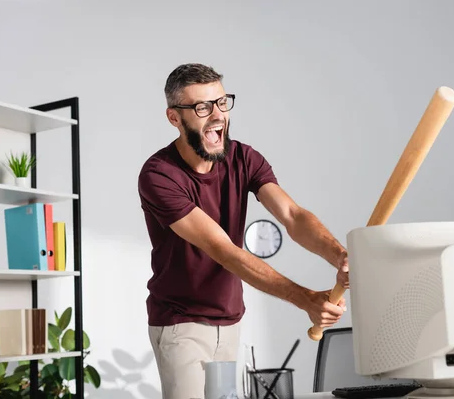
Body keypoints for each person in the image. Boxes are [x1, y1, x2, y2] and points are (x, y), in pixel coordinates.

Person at [138, 63, 349, 399]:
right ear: (175, 118)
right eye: (202, 107)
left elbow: (292, 216)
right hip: (180, 324)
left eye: (222, 102)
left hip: (231, 320)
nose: (218, 115)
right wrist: (305, 298)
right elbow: (224, 251)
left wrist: (339, 255)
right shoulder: (159, 175)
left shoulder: (244, 158)